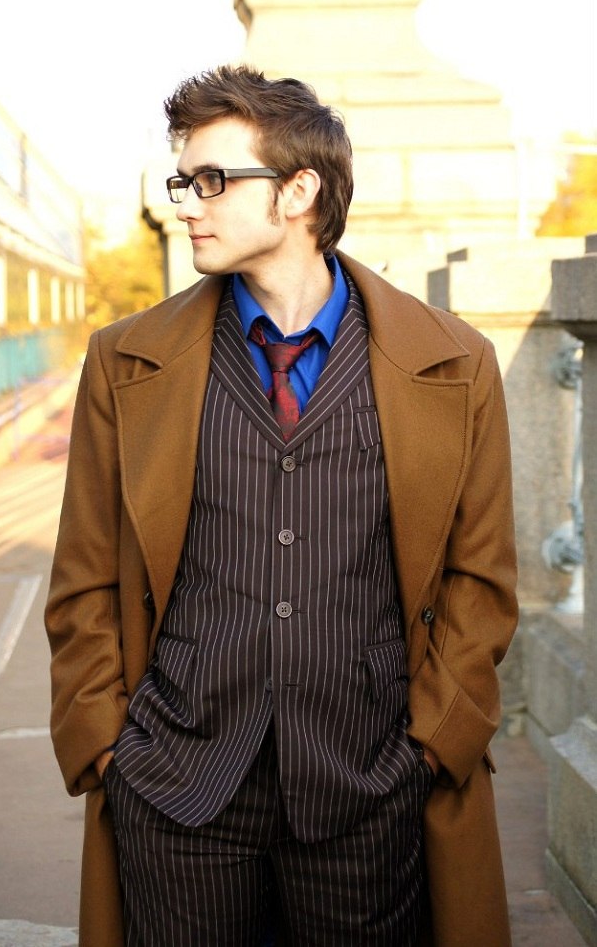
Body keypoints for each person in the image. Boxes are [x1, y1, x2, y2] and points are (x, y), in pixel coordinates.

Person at [45, 64, 518, 947]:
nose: (188, 204)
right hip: (175, 788)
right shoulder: (125, 361)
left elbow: (480, 578)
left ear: (299, 191)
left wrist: (430, 748)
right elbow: (83, 578)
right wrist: (109, 748)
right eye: (185, 180)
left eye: (214, 180)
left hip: (370, 786)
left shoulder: (455, 363)